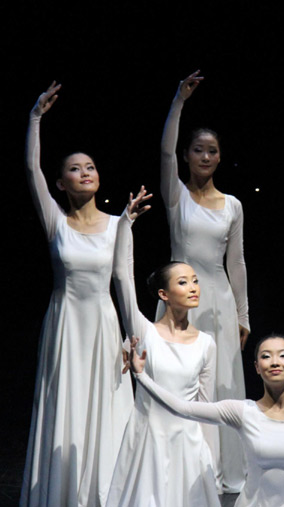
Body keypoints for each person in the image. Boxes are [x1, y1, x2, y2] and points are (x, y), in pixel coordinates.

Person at [21, 82, 134, 507]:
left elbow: (124, 284)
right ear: (61, 182)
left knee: (105, 406)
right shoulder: (56, 222)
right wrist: (35, 119)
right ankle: (64, 491)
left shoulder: (118, 223)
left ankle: (104, 494)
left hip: (105, 325)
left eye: (90, 166)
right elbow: (31, 171)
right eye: (74, 168)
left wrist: (131, 335)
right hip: (66, 324)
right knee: (65, 404)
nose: (85, 171)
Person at [158, 70, 249, 491]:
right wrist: (178, 102)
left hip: (219, 300)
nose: (206, 157)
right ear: (188, 155)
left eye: (212, 151)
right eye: (198, 150)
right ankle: (179, 467)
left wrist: (243, 314)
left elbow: (238, 262)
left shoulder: (233, 205)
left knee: (221, 382)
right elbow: (164, 154)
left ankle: (221, 467)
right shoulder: (176, 196)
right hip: (178, 298)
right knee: (178, 380)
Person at [106, 192, 220, 507]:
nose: (193, 287)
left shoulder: (206, 343)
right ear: (163, 293)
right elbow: (121, 279)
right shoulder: (144, 333)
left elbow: (207, 406)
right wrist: (125, 225)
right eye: (183, 282)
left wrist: (209, 459)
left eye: (195, 280)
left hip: (188, 443)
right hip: (149, 439)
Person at [129, 333, 284, 507]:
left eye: (283, 355)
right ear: (256, 367)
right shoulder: (243, 411)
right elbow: (184, 408)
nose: (274, 362)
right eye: (266, 356)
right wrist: (141, 376)